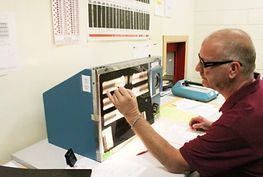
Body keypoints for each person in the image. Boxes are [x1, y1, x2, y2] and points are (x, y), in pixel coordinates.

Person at [107, 28, 263, 177]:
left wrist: (132, 115)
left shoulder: (239, 121)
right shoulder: (258, 90)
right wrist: (216, 128)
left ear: (233, 69)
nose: (197, 68)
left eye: (205, 63)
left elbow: (177, 163)